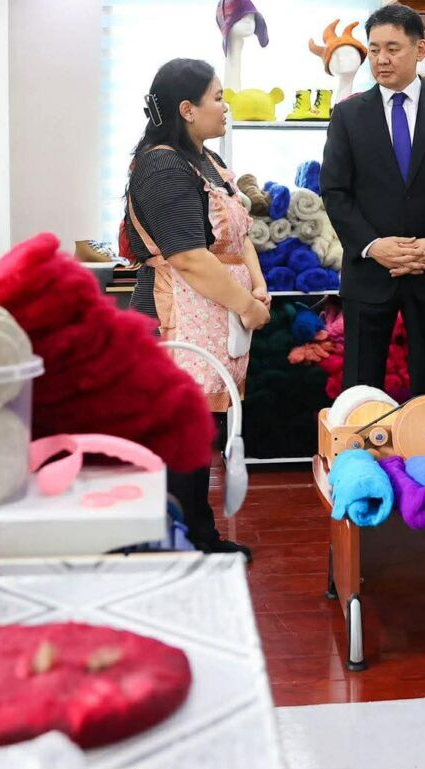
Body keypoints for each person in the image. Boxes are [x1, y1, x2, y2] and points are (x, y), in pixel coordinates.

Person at [123, 57, 271, 559]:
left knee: (199, 433)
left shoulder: (205, 159)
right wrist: (246, 306)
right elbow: (188, 257)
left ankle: (196, 538)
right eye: (218, 98)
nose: (225, 107)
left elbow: (240, 234)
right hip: (177, 319)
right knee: (181, 436)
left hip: (215, 314)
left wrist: (258, 287)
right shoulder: (163, 166)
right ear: (187, 109)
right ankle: (185, 544)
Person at [320, 4, 425, 397]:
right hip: (369, 273)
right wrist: (373, 245)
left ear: (420, 49)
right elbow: (335, 191)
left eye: (392, 48)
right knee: (361, 390)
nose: (381, 59)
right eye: (374, 49)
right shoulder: (347, 114)